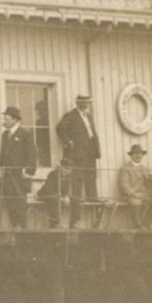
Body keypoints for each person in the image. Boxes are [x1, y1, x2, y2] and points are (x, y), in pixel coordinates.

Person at [54, 95, 102, 227]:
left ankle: (93, 199)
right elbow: (60, 128)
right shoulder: (71, 115)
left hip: (90, 151)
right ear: (77, 102)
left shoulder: (89, 116)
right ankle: (76, 212)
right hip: (78, 152)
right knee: (78, 178)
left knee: (91, 176)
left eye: (86, 102)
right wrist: (68, 140)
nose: (84, 104)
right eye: (81, 102)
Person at [0, 106, 38, 229]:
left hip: (20, 174)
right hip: (7, 173)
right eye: (4, 119)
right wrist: (1, 166)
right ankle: (14, 226)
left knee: (20, 200)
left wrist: (29, 171)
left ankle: (22, 227)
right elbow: (3, 152)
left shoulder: (25, 134)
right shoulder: (5, 134)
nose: (4, 121)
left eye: (7, 119)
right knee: (10, 200)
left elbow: (32, 153)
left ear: (15, 120)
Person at [116, 143, 152, 230]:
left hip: (146, 195)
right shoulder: (125, 169)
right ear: (131, 156)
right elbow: (124, 185)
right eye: (135, 153)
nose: (138, 155)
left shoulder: (145, 169)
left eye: (140, 153)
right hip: (132, 196)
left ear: (142, 155)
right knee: (136, 203)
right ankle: (138, 225)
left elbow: (150, 183)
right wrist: (134, 194)